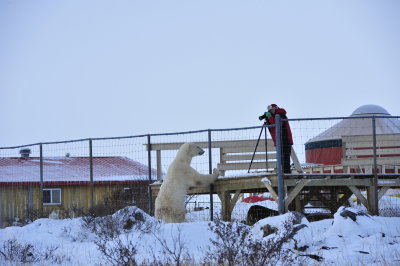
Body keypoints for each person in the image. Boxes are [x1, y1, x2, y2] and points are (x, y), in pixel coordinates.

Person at [259, 104, 293, 173]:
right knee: (281, 158)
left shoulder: (281, 114)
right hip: (279, 140)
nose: (271, 112)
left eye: (271, 110)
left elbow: (277, 124)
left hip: (285, 139)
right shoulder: (275, 116)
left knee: (285, 159)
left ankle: (286, 174)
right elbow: (272, 126)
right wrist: (267, 118)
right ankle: (283, 174)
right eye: (269, 111)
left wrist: (270, 117)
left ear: (275, 108)